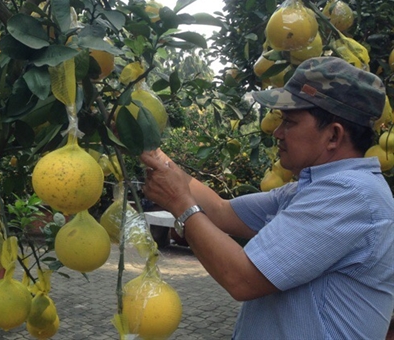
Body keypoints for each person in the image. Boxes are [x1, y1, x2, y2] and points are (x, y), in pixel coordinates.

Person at [141, 56, 394, 340]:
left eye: (290, 122)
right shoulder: (310, 189)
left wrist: (180, 205)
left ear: (333, 136)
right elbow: (222, 212)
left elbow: (242, 279)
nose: (277, 132)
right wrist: (144, 145)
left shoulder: (349, 196)